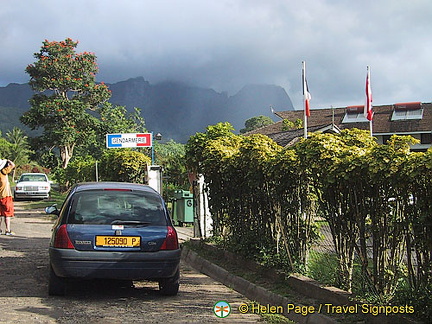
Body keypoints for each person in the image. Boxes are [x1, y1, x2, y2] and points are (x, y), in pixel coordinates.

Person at [0, 159, 16, 235]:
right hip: (6, 196)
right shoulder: (3, 172)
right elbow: (13, 165)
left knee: (0, 214)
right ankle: (8, 230)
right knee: (7, 214)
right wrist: (8, 160)